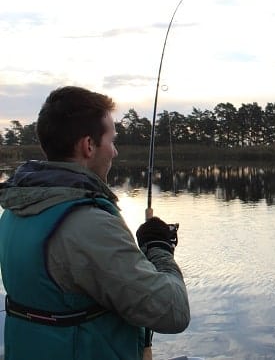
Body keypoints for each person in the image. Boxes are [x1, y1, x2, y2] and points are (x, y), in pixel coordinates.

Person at [0, 86, 190, 360]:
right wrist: (158, 247)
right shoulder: (88, 225)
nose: (114, 152)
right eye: (111, 141)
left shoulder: (16, 210)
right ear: (88, 145)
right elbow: (173, 312)